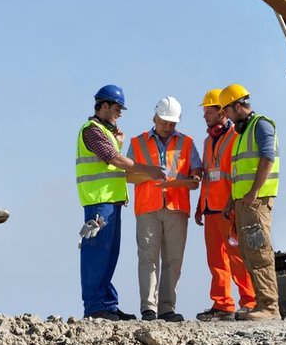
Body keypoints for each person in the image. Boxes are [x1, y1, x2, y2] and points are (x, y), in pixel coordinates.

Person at [77, 84, 165, 321]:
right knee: (97, 254)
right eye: (117, 108)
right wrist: (149, 170)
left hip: (109, 202)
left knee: (109, 255)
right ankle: (96, 307)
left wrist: (116, 135)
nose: (120, 113)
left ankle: (107, 304)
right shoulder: (92, 130)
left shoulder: (104, 131)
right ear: (104, 106)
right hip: (98, 203)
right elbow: (113, 159)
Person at [128, 97, 201, 321]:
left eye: (172, 124)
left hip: (176, 207)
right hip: (147, 207)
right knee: (147, 257)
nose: (168, 127)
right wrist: (148, 172)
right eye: (164, 122)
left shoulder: (187, 142)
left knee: (173, 259)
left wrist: (195, 177)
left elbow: (197, 169)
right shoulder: (137, 142)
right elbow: (128, 174)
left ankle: (167, 308)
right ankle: (148, 308)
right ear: (155, 117)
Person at [221, 83, 281, 320]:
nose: (225, 115)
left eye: (227, 110)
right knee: (248, 253)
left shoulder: (261, 125)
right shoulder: (242, 133)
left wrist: (254, 192)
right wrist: (231, 201)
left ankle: (269, 307)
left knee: (259, 252)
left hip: (256, 203)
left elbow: (268, 158)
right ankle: (260, 304)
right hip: (244, 203)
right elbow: (238, 173)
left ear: (238, 105)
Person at [194, 88, 254, 321]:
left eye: (209, 111)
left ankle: (249, 301)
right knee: (216, 260)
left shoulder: (236, 138)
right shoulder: (208, 140)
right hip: (211, 209)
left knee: (237, 257)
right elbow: (209, 175)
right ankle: (222, 305)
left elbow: (235, 175)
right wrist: (200, 206)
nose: (205, 116)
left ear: (223, 111)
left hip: (229, 208)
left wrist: (233, 204)